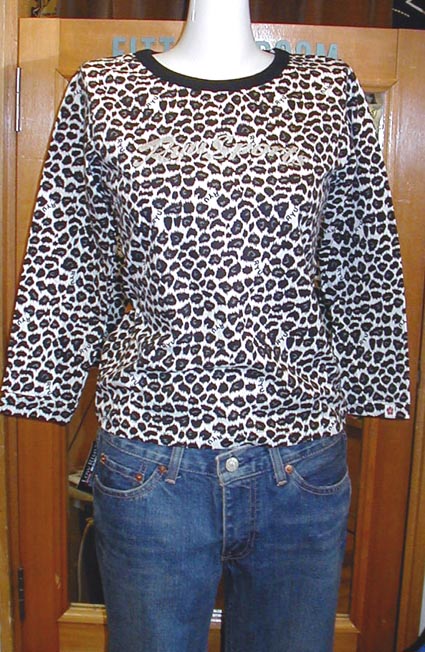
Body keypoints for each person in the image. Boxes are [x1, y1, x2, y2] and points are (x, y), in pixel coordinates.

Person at [0, 0, 410, 650]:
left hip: (299, 460)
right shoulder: (102, 93)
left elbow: (363, 257)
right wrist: (41, 386)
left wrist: (376, 379)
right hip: (150, 460)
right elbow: (69, 259)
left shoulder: (331, 93)